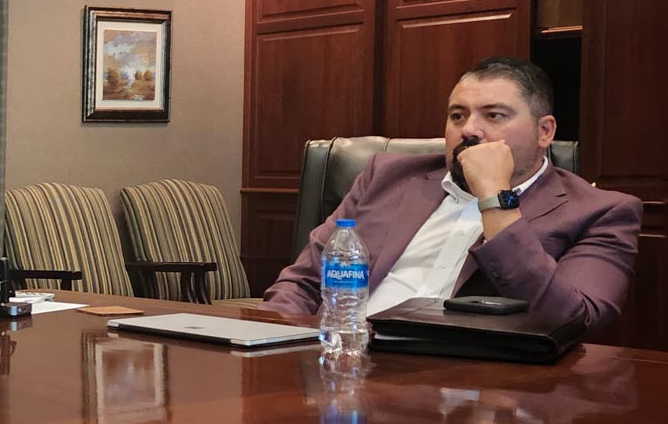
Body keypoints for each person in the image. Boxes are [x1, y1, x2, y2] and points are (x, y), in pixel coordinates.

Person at [262, 57, 642, 333]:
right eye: (457, 116)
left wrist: (495, 196)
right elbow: (302, 284)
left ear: (545, 131)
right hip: (346, 366)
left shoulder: (600, 212)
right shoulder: (387, 176)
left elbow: (573, 321)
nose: (470, 130)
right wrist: (280, 346)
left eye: (494, 116)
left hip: (475, 398)